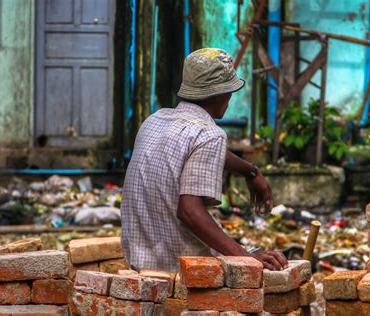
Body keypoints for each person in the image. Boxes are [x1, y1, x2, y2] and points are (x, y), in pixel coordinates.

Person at [121, 48, 288, 272]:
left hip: (139, 262)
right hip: (180, 272)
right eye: (230, 92)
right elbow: (190, 212)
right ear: (220, 94)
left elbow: (200, 150)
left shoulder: (155, 120)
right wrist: (247, 257)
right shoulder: (210, 134)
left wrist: (250, 171)